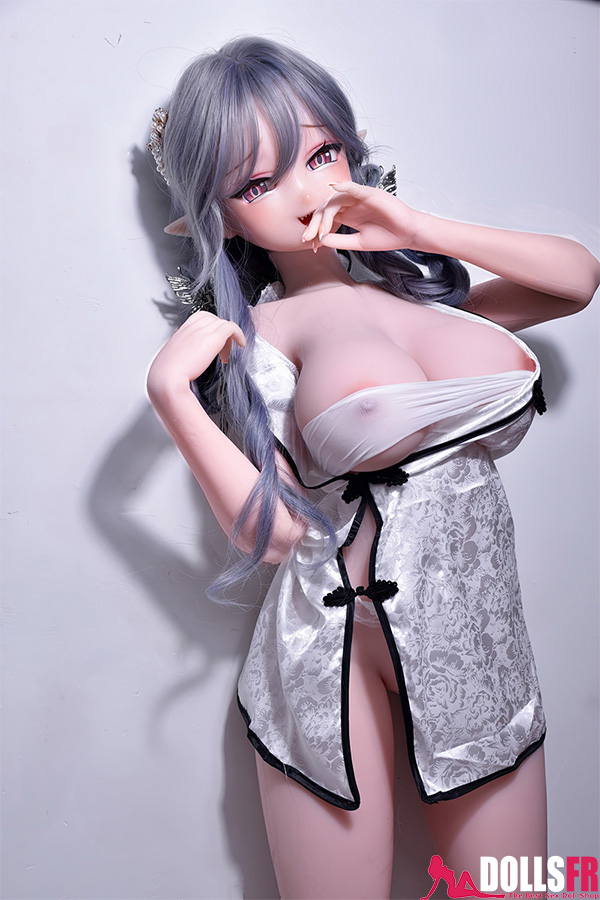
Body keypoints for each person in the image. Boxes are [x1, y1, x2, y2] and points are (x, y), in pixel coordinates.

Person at [145, 36, 599, 900]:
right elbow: (276, 536)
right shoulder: (258, 338)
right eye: (258, 184)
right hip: (331, 648)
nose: (306, 192)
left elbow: (576, 280)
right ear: (222, 217)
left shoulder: (427, 295)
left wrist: (415, 228)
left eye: (322, 155)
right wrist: (172, 394)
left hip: (475, 638)